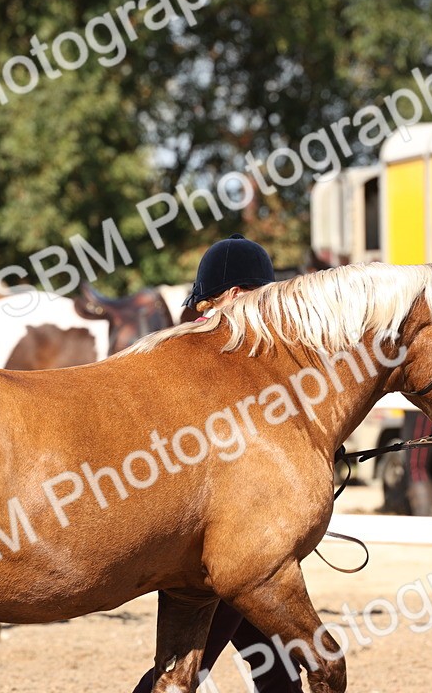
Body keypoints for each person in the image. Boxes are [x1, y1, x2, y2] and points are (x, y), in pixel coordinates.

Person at [132, 234, 299, 692]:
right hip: (223, 551)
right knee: (184, 672)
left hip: (227, 541)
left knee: (277, 665)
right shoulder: (227, 356)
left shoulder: (213, 354)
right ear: (239, 296)